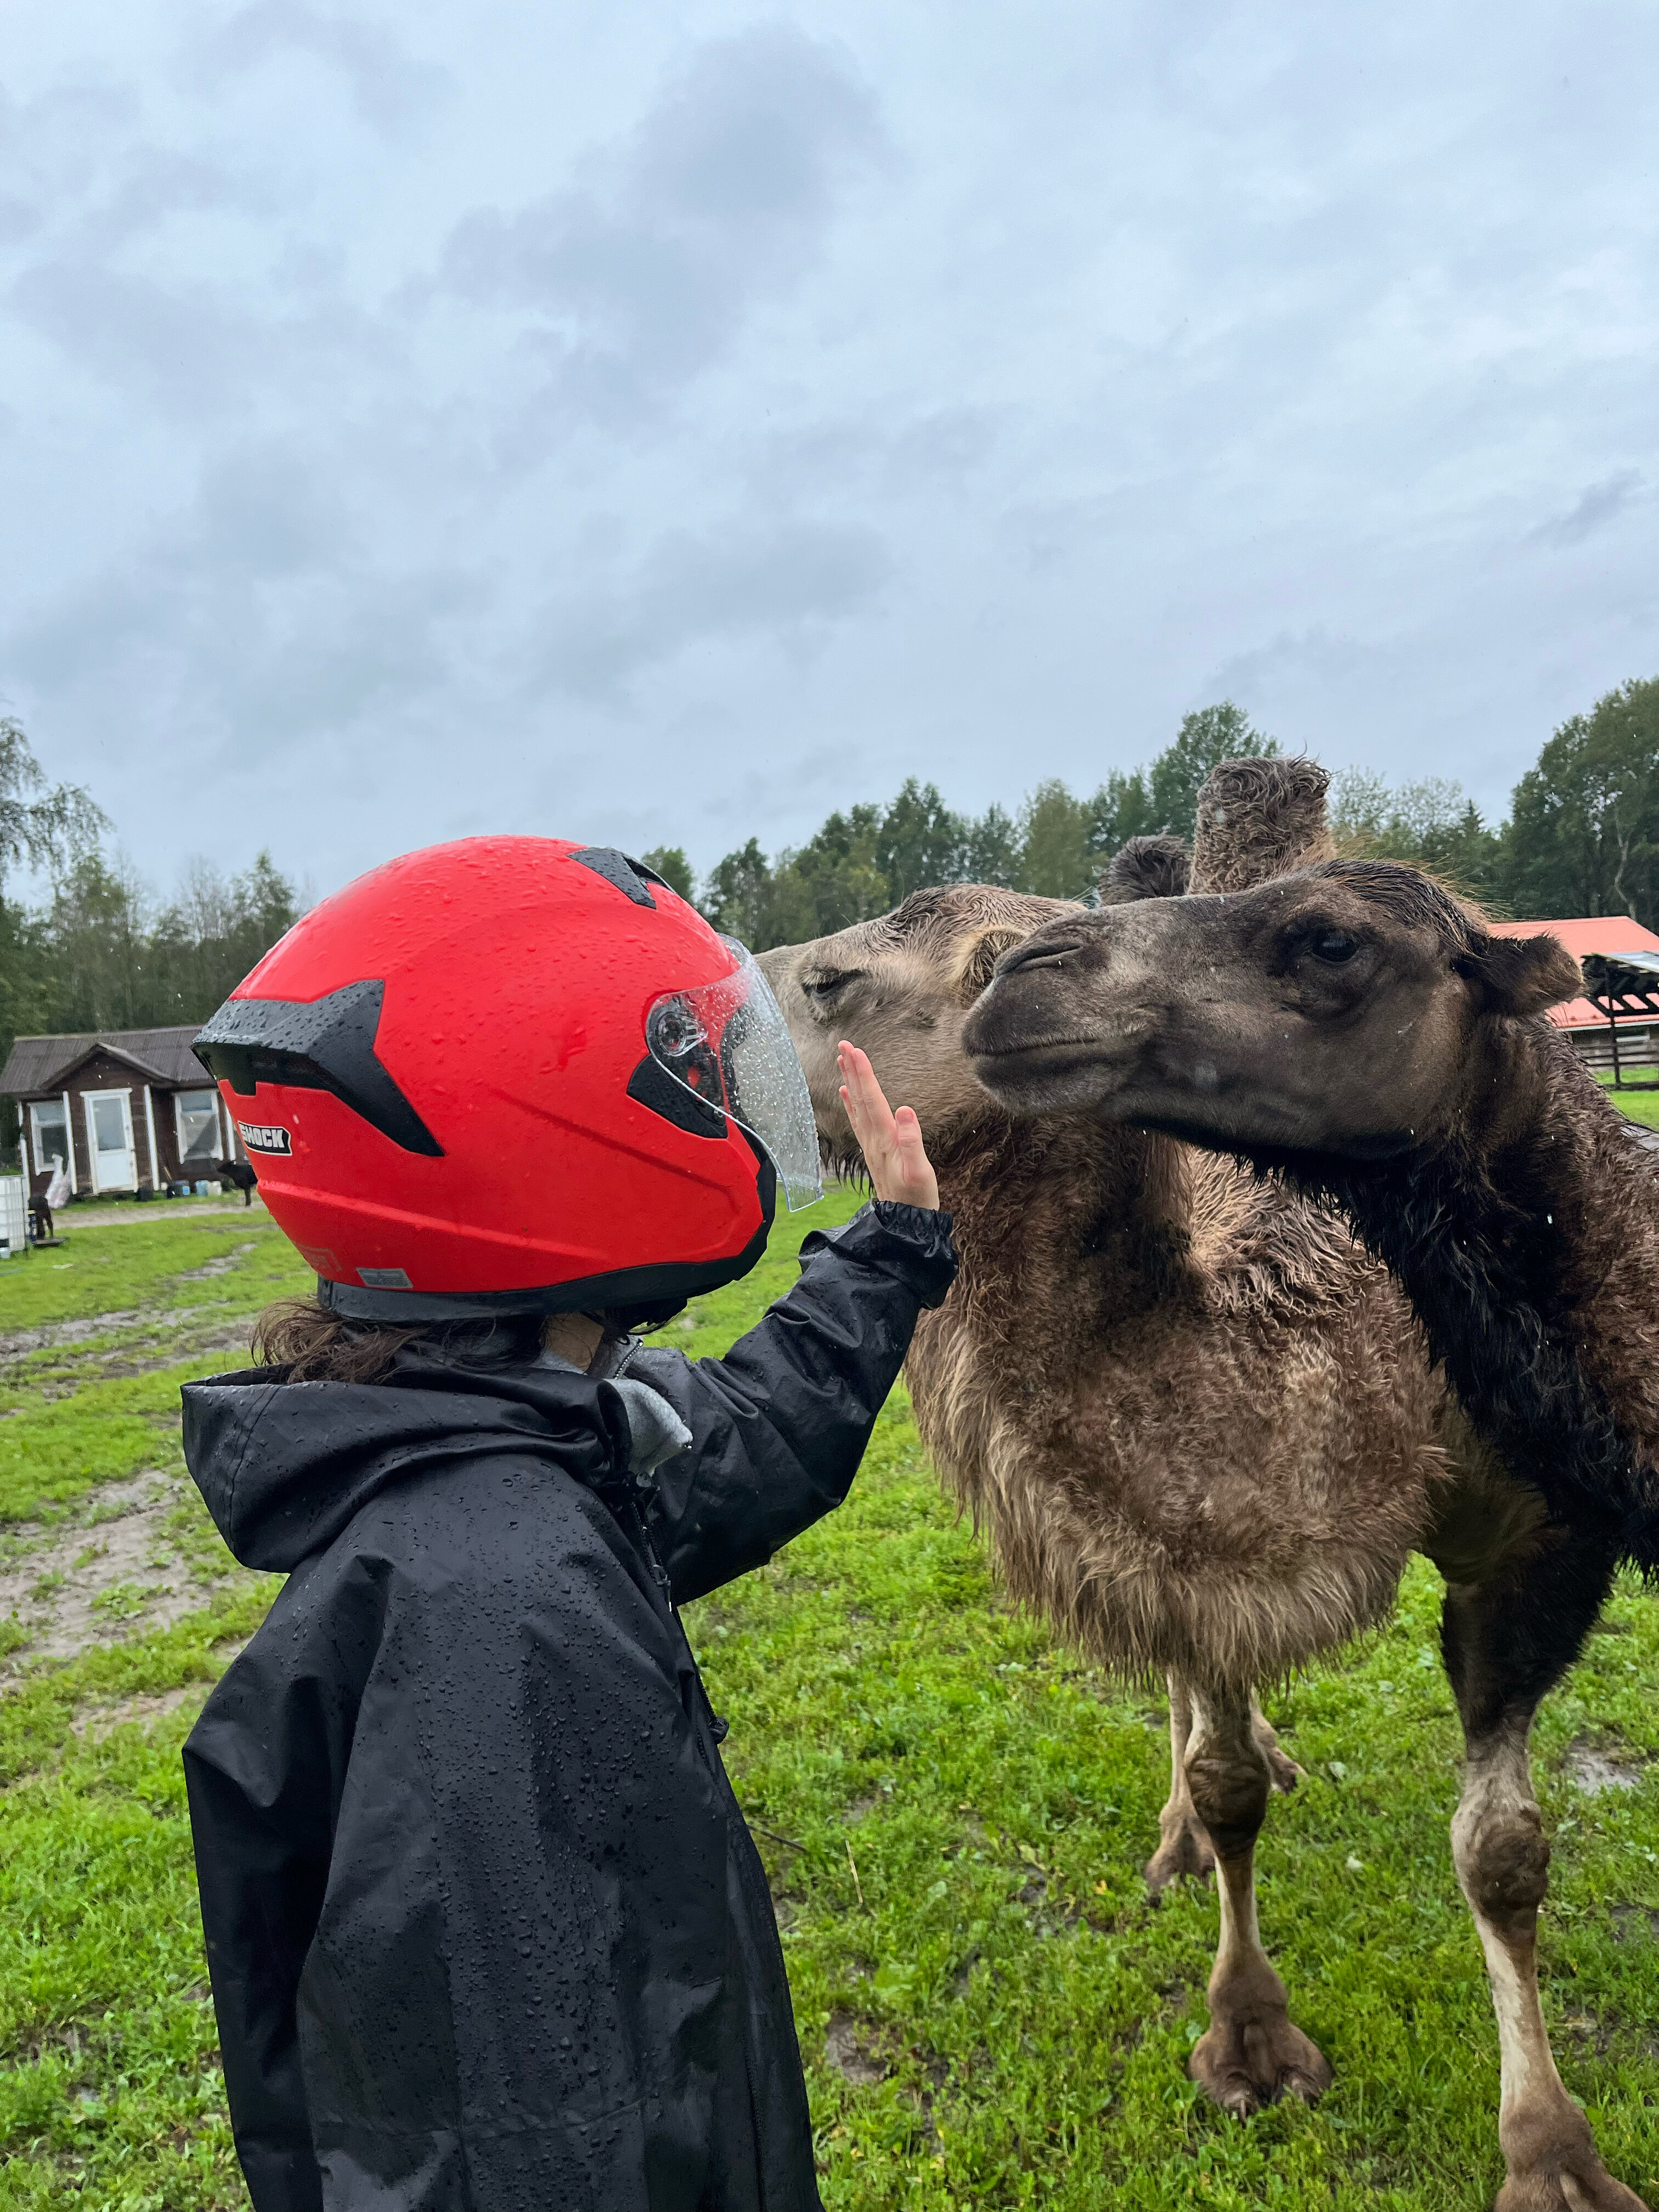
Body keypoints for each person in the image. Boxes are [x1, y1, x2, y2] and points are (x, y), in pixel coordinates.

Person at [179, 836, 955, 2212]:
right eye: (683, 1072)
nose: (715, 1108)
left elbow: (723, 1450)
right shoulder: (502, 1617)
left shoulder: (484, 1430)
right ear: (547, 1129)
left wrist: (887, 1256)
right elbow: (542, 2135)